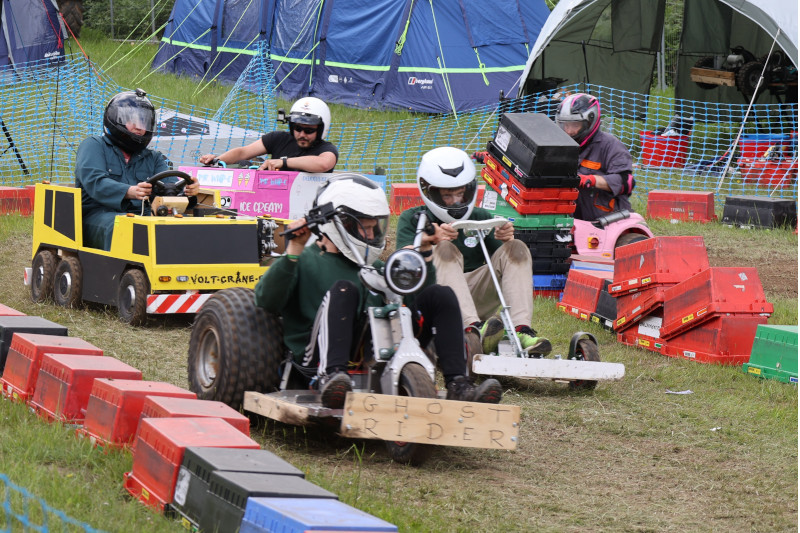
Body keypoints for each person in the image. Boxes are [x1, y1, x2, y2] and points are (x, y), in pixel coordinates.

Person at [254, 174, 502, 409]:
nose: (372, 235)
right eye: (365, 227)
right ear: (340, 224)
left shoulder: (375, 267)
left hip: (374, 348)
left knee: (441, 294)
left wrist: (425, 252)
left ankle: (459, 383)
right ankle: (331, 377)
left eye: (375, 227)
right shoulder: (304, 260)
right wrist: (294, 249)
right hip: (315, 357)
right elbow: (266, 300)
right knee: (345, 289)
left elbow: (412, 301)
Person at [395, 147, 551, 359]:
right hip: (434, 300)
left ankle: (520, 330)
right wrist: (428, 240)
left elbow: (505, 264)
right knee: (444, 249)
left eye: (460, 194)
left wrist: (507, 238)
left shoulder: (480, 216)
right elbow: (402, 264)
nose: (456, 201)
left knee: (518, 248)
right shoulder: (413, 218)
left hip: (475, 293)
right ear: (430, 191)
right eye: (447, 195)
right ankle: (472, 331)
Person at [75, 88, 200, 251]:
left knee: (183, 223)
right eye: (132, 120)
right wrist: (129, 191)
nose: (139, 127)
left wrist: (187, 191)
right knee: (125, 226)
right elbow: (95, 183)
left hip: (142, 216)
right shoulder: (93, 146)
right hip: (97, 216)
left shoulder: (153, 158)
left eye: (144, 122)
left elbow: (170, 188)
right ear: (115, 119)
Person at [554, 93, 636, 222]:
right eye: (566, 125)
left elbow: (626, 182)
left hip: (608, 220)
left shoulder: (611, 146)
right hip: (571, 220)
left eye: (575, 125)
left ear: (590, 122)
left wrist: (590, 180)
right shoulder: (560, 146)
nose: (569, 131)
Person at [199, 97, 338, 172]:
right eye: (297, 128)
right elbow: (243, 152)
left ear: (321, 129)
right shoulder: (278, 138)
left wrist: (283, 162)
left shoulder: (326, 149)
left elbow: (325, 164)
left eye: (309, 131)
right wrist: (217, 160)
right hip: (270, 202)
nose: (302, 134)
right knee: (243, 163)